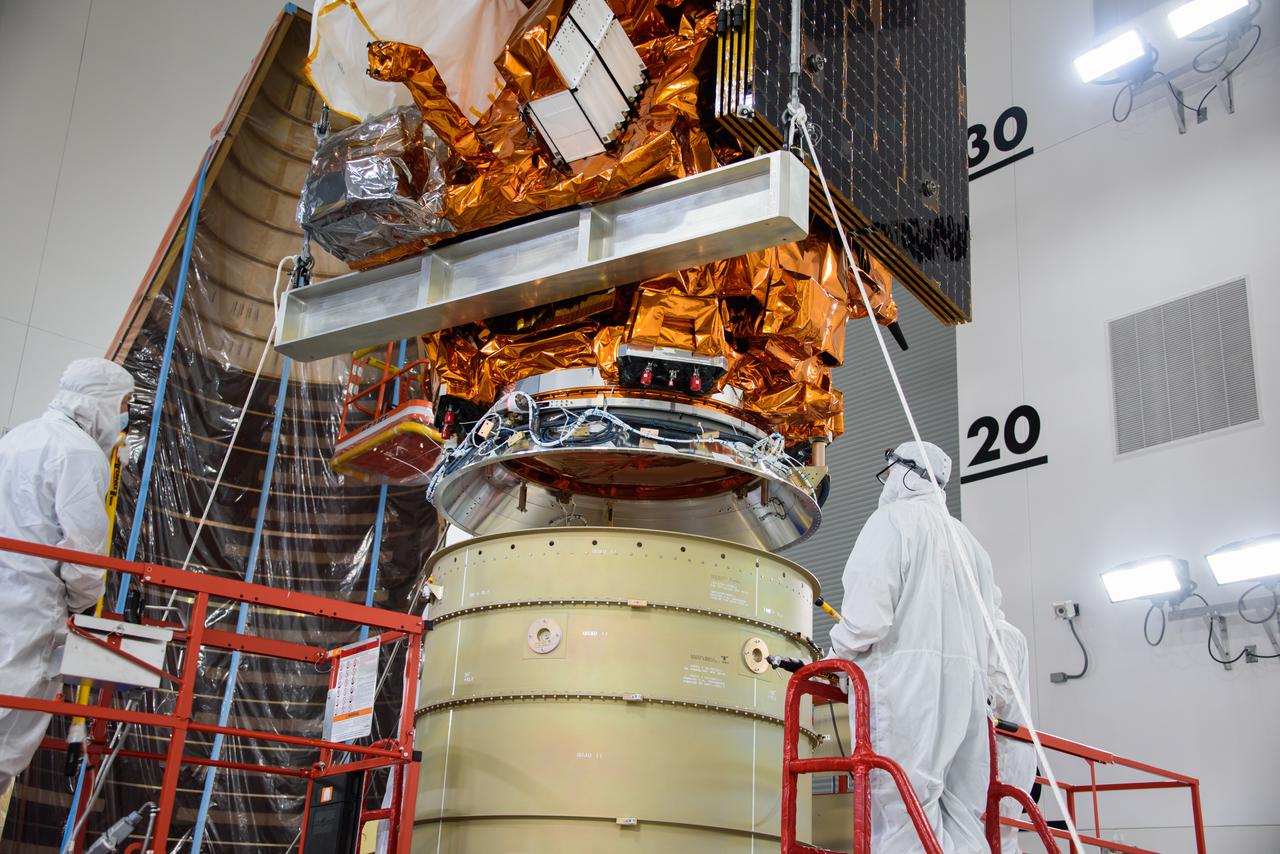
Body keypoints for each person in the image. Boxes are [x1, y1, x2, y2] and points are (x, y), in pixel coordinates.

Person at [829, 441, 998, 852]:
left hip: (906, 688)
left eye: (889, 474)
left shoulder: (892, 521)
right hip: (970, 693)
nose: (885, 484)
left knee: (902, 809)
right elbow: (994, 630)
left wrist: (835, 659)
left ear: (905, 473)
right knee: (962, 813)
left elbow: (868, 617)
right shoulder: (970, 544)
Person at [0, 358, 134, 829]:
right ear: (98, 401)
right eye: (122, 406)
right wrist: (84, 599)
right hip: (29, 616)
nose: (124, 418)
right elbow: (83, 553)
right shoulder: (79, 453)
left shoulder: (17, 437)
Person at [989, 598, 1036, 854]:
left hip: (1003, 751)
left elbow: (995, 694)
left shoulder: (1000, 633)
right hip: (997, 751)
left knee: (998, 837)